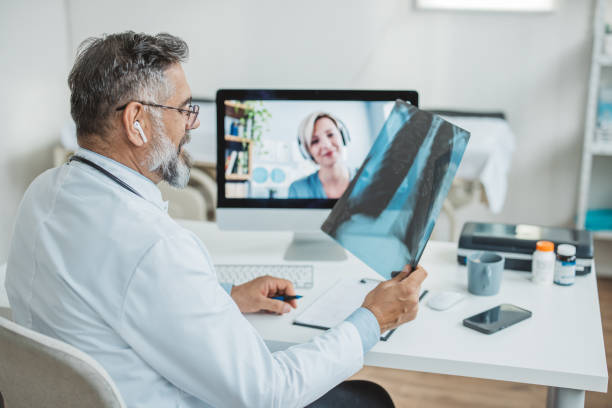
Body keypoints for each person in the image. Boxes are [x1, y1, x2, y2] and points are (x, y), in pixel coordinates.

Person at [5, 32, 427, 408]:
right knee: (368, 399)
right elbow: (269, 393)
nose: (192, 124)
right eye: (185, 110)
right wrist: (373, 318)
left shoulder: (42, 193)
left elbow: (112, 298)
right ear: (136, 122)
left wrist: (224, 294)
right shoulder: (156, 247)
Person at [288, 112, 355, 199]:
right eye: (315, 141)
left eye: (330, 135)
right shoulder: (298, 190)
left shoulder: (371, 179)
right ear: (307, 151)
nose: (326, 145)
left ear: (342, 136)